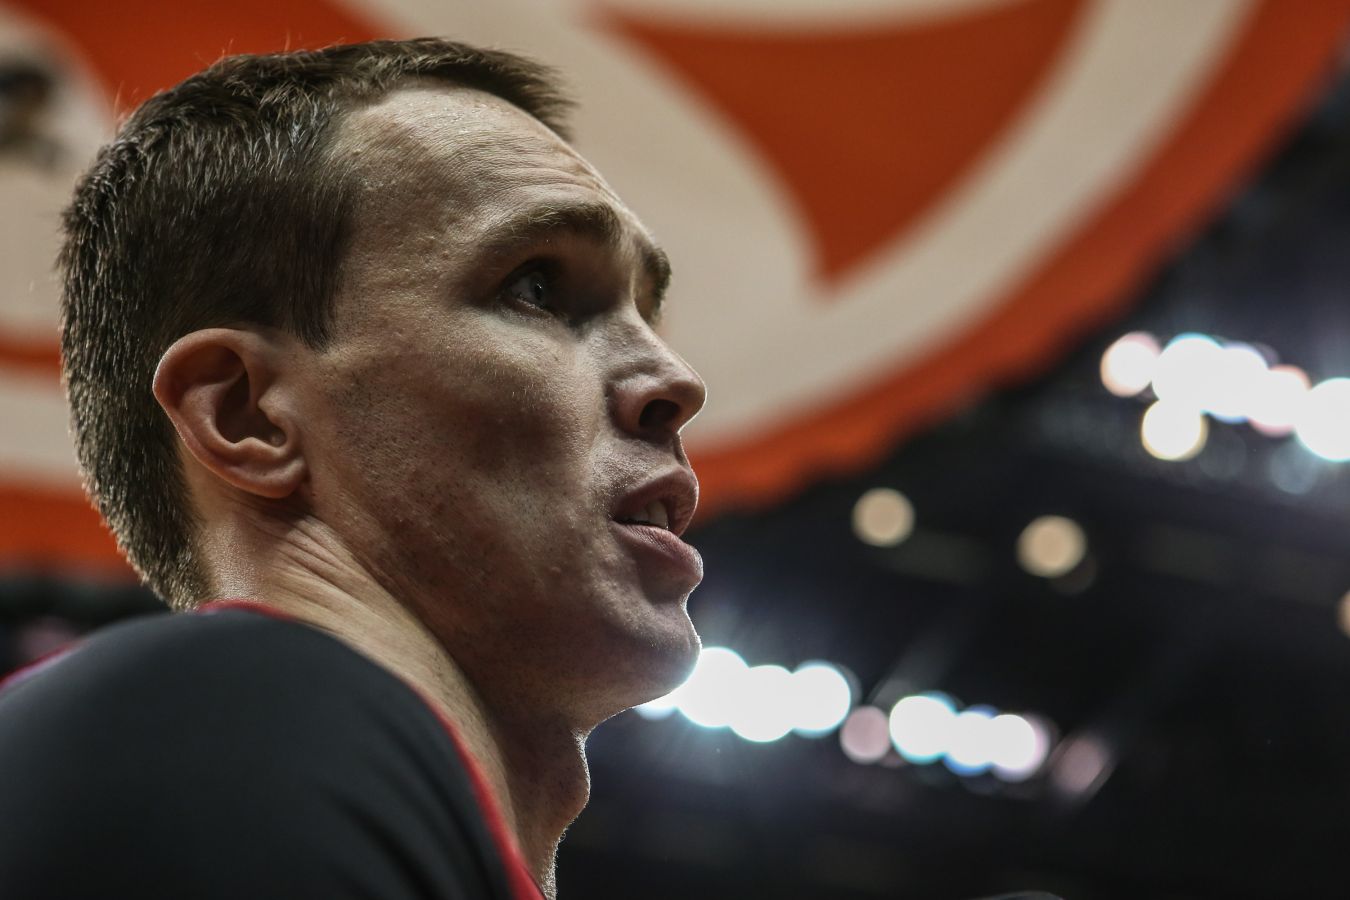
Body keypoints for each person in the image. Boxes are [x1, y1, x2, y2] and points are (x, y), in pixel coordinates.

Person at [0, 37, 706, 900]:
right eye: (536, 288)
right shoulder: (225, 717)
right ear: (248, 416)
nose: (676, 380)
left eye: (649, 314)